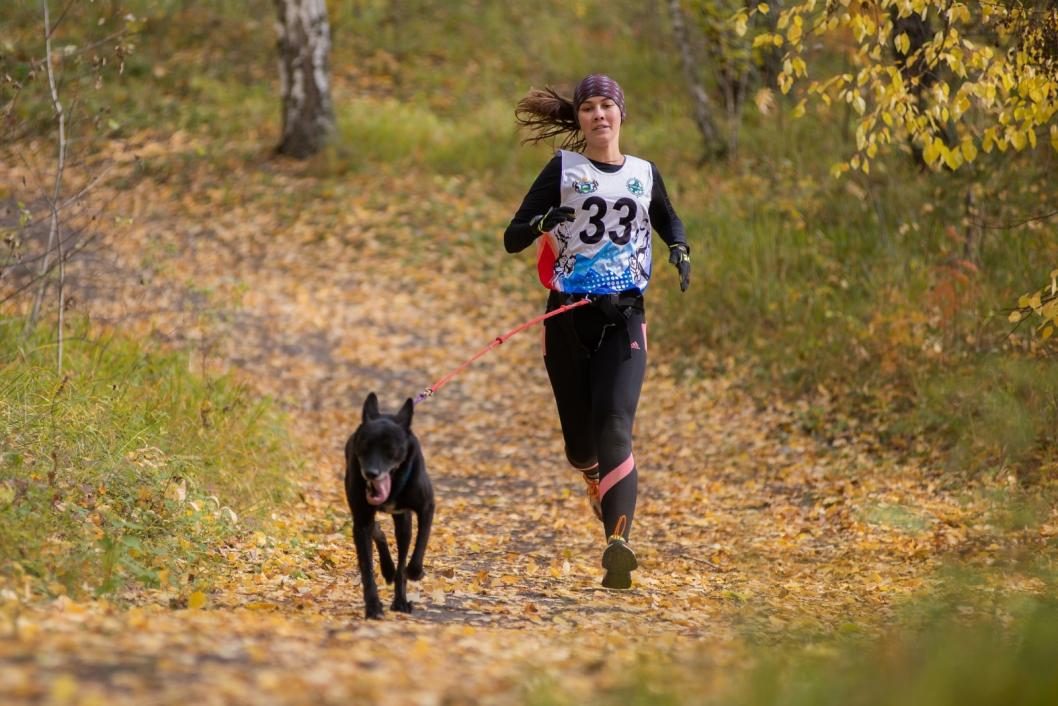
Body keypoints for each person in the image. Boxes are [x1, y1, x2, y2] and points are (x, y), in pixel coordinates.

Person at [504, 74, 691, 589]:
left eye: (608, 106)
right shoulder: (563, 169)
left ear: (621, 114)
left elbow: (668, 219)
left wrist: (680, 249)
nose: (599, 115)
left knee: (615, 425)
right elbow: (511, 237)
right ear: (579, 118)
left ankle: (618, 545)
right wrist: (545, 221)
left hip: (625, 318)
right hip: (566, 320)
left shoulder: (644, 173)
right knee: (580, 446)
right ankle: (590, 476)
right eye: (589, 108)